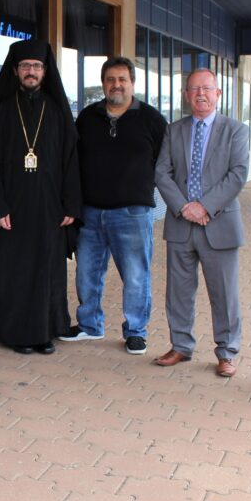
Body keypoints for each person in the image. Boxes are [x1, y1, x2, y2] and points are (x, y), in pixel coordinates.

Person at [60, 57, 166, 355]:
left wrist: (143, 188)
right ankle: (89, 325)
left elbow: (164, 162)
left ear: (132, 83)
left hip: (133, 213)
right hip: (91, 212)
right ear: (104, 83)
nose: (116, 84)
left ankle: (136, 331)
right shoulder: (88, 117)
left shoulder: (152, 119)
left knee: (135, 275)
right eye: (110, 79)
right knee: (87, 273)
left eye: (122, 79)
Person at [0, 39, 81, 354]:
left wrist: (70, 204)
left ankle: (46, 332)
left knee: (47, 270)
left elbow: (71, 159)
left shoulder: (56, 111)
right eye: (25, 66)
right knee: (16, 271)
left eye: (37, 67)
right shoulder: (0, 112)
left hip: (50, 207)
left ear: (44, 71)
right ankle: (15, 334)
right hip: (12, 208)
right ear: (15, 70)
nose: (31, 71)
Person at [153, 68, 249, 376]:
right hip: (182, 223)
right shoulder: (174, 130)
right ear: (186, 95)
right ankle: (181, 346)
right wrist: (184, 208)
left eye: (207, 88)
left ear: (218, 93)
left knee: (224, 293)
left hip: (218, 224)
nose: (200, 94)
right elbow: (161, 173)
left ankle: (226, 352)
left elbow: (237, 174)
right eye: (194, 89)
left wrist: (205, 206)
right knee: (178, 292)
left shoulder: (235, 130)